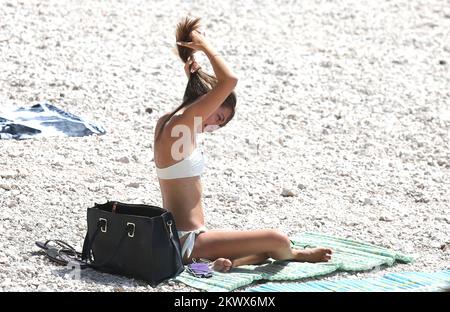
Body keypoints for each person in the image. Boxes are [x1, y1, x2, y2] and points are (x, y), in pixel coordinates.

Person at [153, 17, 332, 272]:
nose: (214, 126)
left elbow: (201, 97)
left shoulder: (170, 123)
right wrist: (205, 47)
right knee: (276, 239)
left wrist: (194, 76)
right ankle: (293, 253)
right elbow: (230, 81)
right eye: (219, 117)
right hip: (187, 241)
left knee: (260, 253)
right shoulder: (182, 124)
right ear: (209, 102)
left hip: (181, 238)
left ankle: (224, 264)